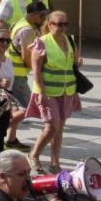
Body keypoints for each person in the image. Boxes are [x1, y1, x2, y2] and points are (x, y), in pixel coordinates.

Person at [27, 11, 81, 174]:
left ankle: (55, 162)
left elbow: (74, 62)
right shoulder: (42, 42)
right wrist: (42, 92)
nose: (63, 27)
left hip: (67, 90)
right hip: (48, 91)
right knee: (52, 126)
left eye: (65, 24)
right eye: (59, 24)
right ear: (50, 25)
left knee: (60, 127)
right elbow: (36, 70)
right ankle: (34, 155)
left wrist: (78, 62)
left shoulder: (70, 40)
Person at [8, 1, 49, 117]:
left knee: (18, 104)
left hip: (14, 71)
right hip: (17, 72)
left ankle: (11, 125)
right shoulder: (27, 30)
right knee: (31, 107)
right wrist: (38, 71)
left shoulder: (23, 22)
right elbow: (26, 56)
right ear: (32, 14)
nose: (44, 17)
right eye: (41, 15)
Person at [0, 29, 29, 152]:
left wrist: (12, 103)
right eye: (1, 40)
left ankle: (8, 142)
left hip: (6, 99)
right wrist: (0, 84)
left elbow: (10, 87)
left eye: (8, 41)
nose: (5, 43)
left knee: (1, 133)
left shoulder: (8, 61)